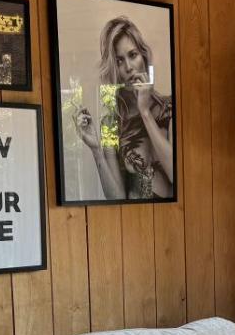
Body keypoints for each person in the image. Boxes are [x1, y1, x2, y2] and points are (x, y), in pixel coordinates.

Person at [71, 16, 174, 200]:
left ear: (143, 56)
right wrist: (96, 150)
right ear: (113, 69)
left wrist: (145, 112)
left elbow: (177, 176)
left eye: (133, 55)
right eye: (119, 61)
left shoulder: (168, 108)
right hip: (133, 215)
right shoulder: (110, 123)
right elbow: (116, 197)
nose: (128, 67)